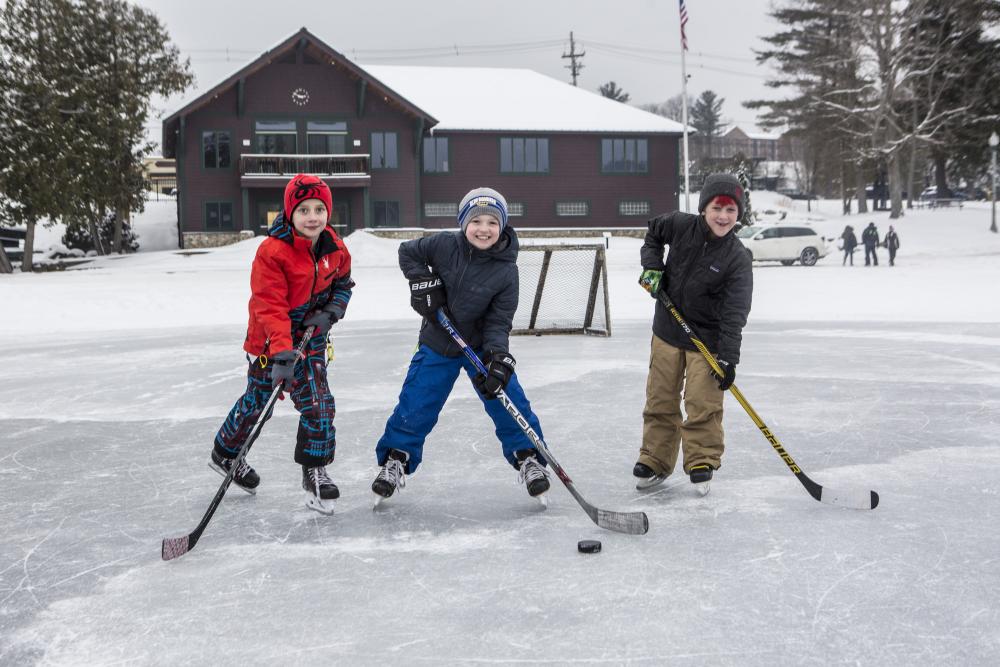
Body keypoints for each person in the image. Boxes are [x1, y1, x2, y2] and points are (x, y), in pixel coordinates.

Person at [371, 187, 551, 504]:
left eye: (492, 222)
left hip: (480, 346)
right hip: (439, 339)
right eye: (476, 220)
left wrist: (498, 358)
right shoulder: (443, 244)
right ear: (463, 222)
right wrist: (422, 284)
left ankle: (528, 457)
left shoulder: (507, 270)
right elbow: (407, 251)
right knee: (418, 398)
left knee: (505, 394)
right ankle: (396, 459)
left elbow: (499, 321)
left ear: (503, 226)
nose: (484, 229)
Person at [209, 174, 354, 514]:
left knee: (320, 403)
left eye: (320, 209)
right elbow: (268, 304)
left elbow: (344, 284)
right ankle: (226, 453)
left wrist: (333, 310)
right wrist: (282, 354)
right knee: (259, 404)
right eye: (304, 209)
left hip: (312, 339)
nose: (313, 217)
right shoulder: (272, 251)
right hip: (269, 343)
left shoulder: (335, 246)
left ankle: (314, 470)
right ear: (290, 212)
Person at [633, 173, 753, 491]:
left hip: (707, 342)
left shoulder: (737, 258)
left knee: (703, 403)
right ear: (704, 208)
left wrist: (728, 358)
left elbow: (735, 313)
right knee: (660, 399)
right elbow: (652, 235)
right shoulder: (680, 225)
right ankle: (655, 460)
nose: (723, 217)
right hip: (667, 330)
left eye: (731, 211)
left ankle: (701, 458)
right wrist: (653, 267)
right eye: (717, 208)